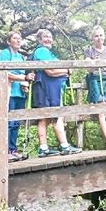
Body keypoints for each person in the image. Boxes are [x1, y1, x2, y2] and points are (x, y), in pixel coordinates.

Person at [31, 29, 82, 157]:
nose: (48, 39)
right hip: (46, 87)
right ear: (39, 39)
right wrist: (67, 71)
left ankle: (45, 148)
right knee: (51, 116)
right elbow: (51, 71)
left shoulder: (47, 52)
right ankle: (63, 146)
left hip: (50, 88)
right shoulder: (41, 51)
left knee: (48, 117)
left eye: (50, 36)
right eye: (45, 37)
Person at [0, 31, 35, 162]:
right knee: (8, 122)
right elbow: (4, 72)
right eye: (15, 38)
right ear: (9, 41)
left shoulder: (21, 57)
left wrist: (26, 81)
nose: (18, 41)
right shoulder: (5, 54)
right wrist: (23, 77)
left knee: (16, 123)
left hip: (19, 92)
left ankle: (13, 149)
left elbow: (23, 74)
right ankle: (5, 150)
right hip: (9, 92)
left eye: (20, 39)